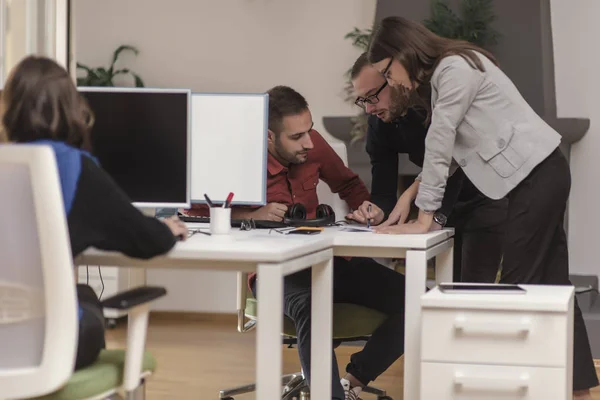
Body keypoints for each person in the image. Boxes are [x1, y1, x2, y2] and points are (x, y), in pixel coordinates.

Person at [366, 16, 598, 398]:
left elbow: (440, 139)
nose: (390, 83)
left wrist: (425, 217)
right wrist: (412, 193)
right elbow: (456, 151)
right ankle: (578, 392)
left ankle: (517, 388)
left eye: (387, 73)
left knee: (519, 291)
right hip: (541, 174)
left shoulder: (453, 69)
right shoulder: (451, 71)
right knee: (552, 284)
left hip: (537, 177)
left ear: (402, 52)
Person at [186, 85, 406, 400]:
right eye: (297, 137)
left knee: (418, 299)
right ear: (269, 137)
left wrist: (365, 207)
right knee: (312, 306)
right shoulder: (239, 154)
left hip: (330, 262)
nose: (308, 142)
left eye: (309, 131)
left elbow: (348, 183)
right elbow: (193, 210)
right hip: (277, 272)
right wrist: (252, 213)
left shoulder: (312, 144)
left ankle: (353, 381)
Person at [0, 55, 188, 370]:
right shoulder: (74, 168)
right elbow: (143, 240)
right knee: (85, 301)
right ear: (70, 107)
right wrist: (166, 230)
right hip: (47, 350)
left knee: (81, 292)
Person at [350, 52, 507, 283]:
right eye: (362, 100)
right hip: (440, 201)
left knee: (473, 291)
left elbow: (456, 160)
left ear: (393, 79)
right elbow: (384, 191)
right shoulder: (378, 124)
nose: (368, 110)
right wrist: (377, 212)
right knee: (448, 290)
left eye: (372, 96)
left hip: (485, 197)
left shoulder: (436, 103)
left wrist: (432, 213)